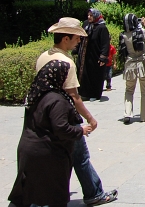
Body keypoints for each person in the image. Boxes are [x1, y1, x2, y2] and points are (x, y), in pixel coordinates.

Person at [34, 17, 117, 206]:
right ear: (65, 39)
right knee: (81, 157)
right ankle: (94, 192)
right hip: (65, 116)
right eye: (76, 37)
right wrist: (90, 118)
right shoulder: (66, 62)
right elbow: (74, 96)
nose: (79, 40)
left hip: (46, 116)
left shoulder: (44, 56)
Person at [9, 60, 93, 207]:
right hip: (48, 153)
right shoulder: (57, 100)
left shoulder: (36, 93)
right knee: (54, 196)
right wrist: (80, 130)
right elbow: (61, 128)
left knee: (28, 192)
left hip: (29, 150)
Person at [120, 13, 145, 124]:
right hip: (142, 64)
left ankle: (127, 113)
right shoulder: (140, 32)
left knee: (129, 90)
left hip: (129, 64)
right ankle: (144, 116)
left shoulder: (123, 35)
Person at [77, 8, 111, 101]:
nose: (89, 17)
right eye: (88, 15)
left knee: (95, 75)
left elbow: (105, 44)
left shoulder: (102, 27)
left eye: (91, 15)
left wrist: (103, 57)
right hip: (85, 55)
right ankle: (84, 93)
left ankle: (95, 94)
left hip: (95, 56)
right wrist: (76, 49)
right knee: (84, 74)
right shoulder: (86, 24)